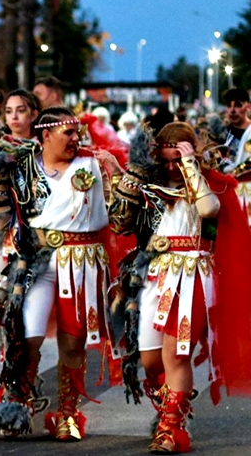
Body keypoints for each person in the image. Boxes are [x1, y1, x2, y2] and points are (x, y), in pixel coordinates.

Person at [111, 122, 251, 453]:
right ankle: (174, 407)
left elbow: (208, 210)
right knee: (149, 360)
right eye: (167, 160)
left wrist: (191, 167)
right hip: (156, 276)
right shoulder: (151, 184)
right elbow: (120, 222)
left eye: (179, 159)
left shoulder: (209, 182)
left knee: (176, 354)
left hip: (192, 276)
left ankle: (171, 430)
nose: (172, 166)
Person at [0, 107, 120, 441]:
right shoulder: (20, 167)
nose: (77, 139)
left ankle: (68, 412)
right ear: (46, 135)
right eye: (69, 133)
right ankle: (20, 404)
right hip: (37, 263)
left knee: (73, 343)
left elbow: (121, 217)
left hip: (83, 261)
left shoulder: (95, 163)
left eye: (78, 133)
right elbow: (0, 219)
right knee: (26, 337)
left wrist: (117, 174)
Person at [221, 88, 251, 226]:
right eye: (229, 106)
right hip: (227, 195)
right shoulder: (220, 135)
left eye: (238, 105)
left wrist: (235, 172)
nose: (232, 110)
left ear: (248, 107)